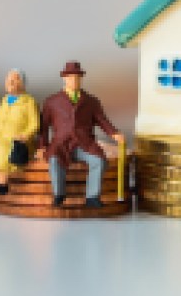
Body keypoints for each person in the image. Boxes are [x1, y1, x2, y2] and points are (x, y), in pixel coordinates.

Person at [35, 61, 126, 208]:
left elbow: (102, 120)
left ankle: (92, 197)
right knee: (54, 160)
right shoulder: (52, 102)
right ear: (64, 78)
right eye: (71, 77)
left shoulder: (91, 101)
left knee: (99, 161)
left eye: (77, 78)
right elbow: (44, 127)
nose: (74, 81)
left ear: (81, 79)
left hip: (85, 144)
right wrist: (42, 146)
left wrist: (114, 133)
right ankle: (59, 194)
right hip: (61, 144)